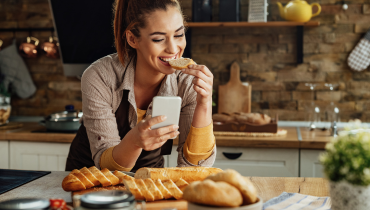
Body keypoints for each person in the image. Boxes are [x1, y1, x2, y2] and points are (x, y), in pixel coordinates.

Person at [65, 0, 216, 172]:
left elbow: (196, 167)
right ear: (132, 39)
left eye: (179, 35)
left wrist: (204, 104)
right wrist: (135, 141)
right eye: (159, 39)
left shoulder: (187, 81)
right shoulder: (100, 76)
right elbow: (105, 165)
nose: (173, 48)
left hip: (148, 176)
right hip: (89, 178)